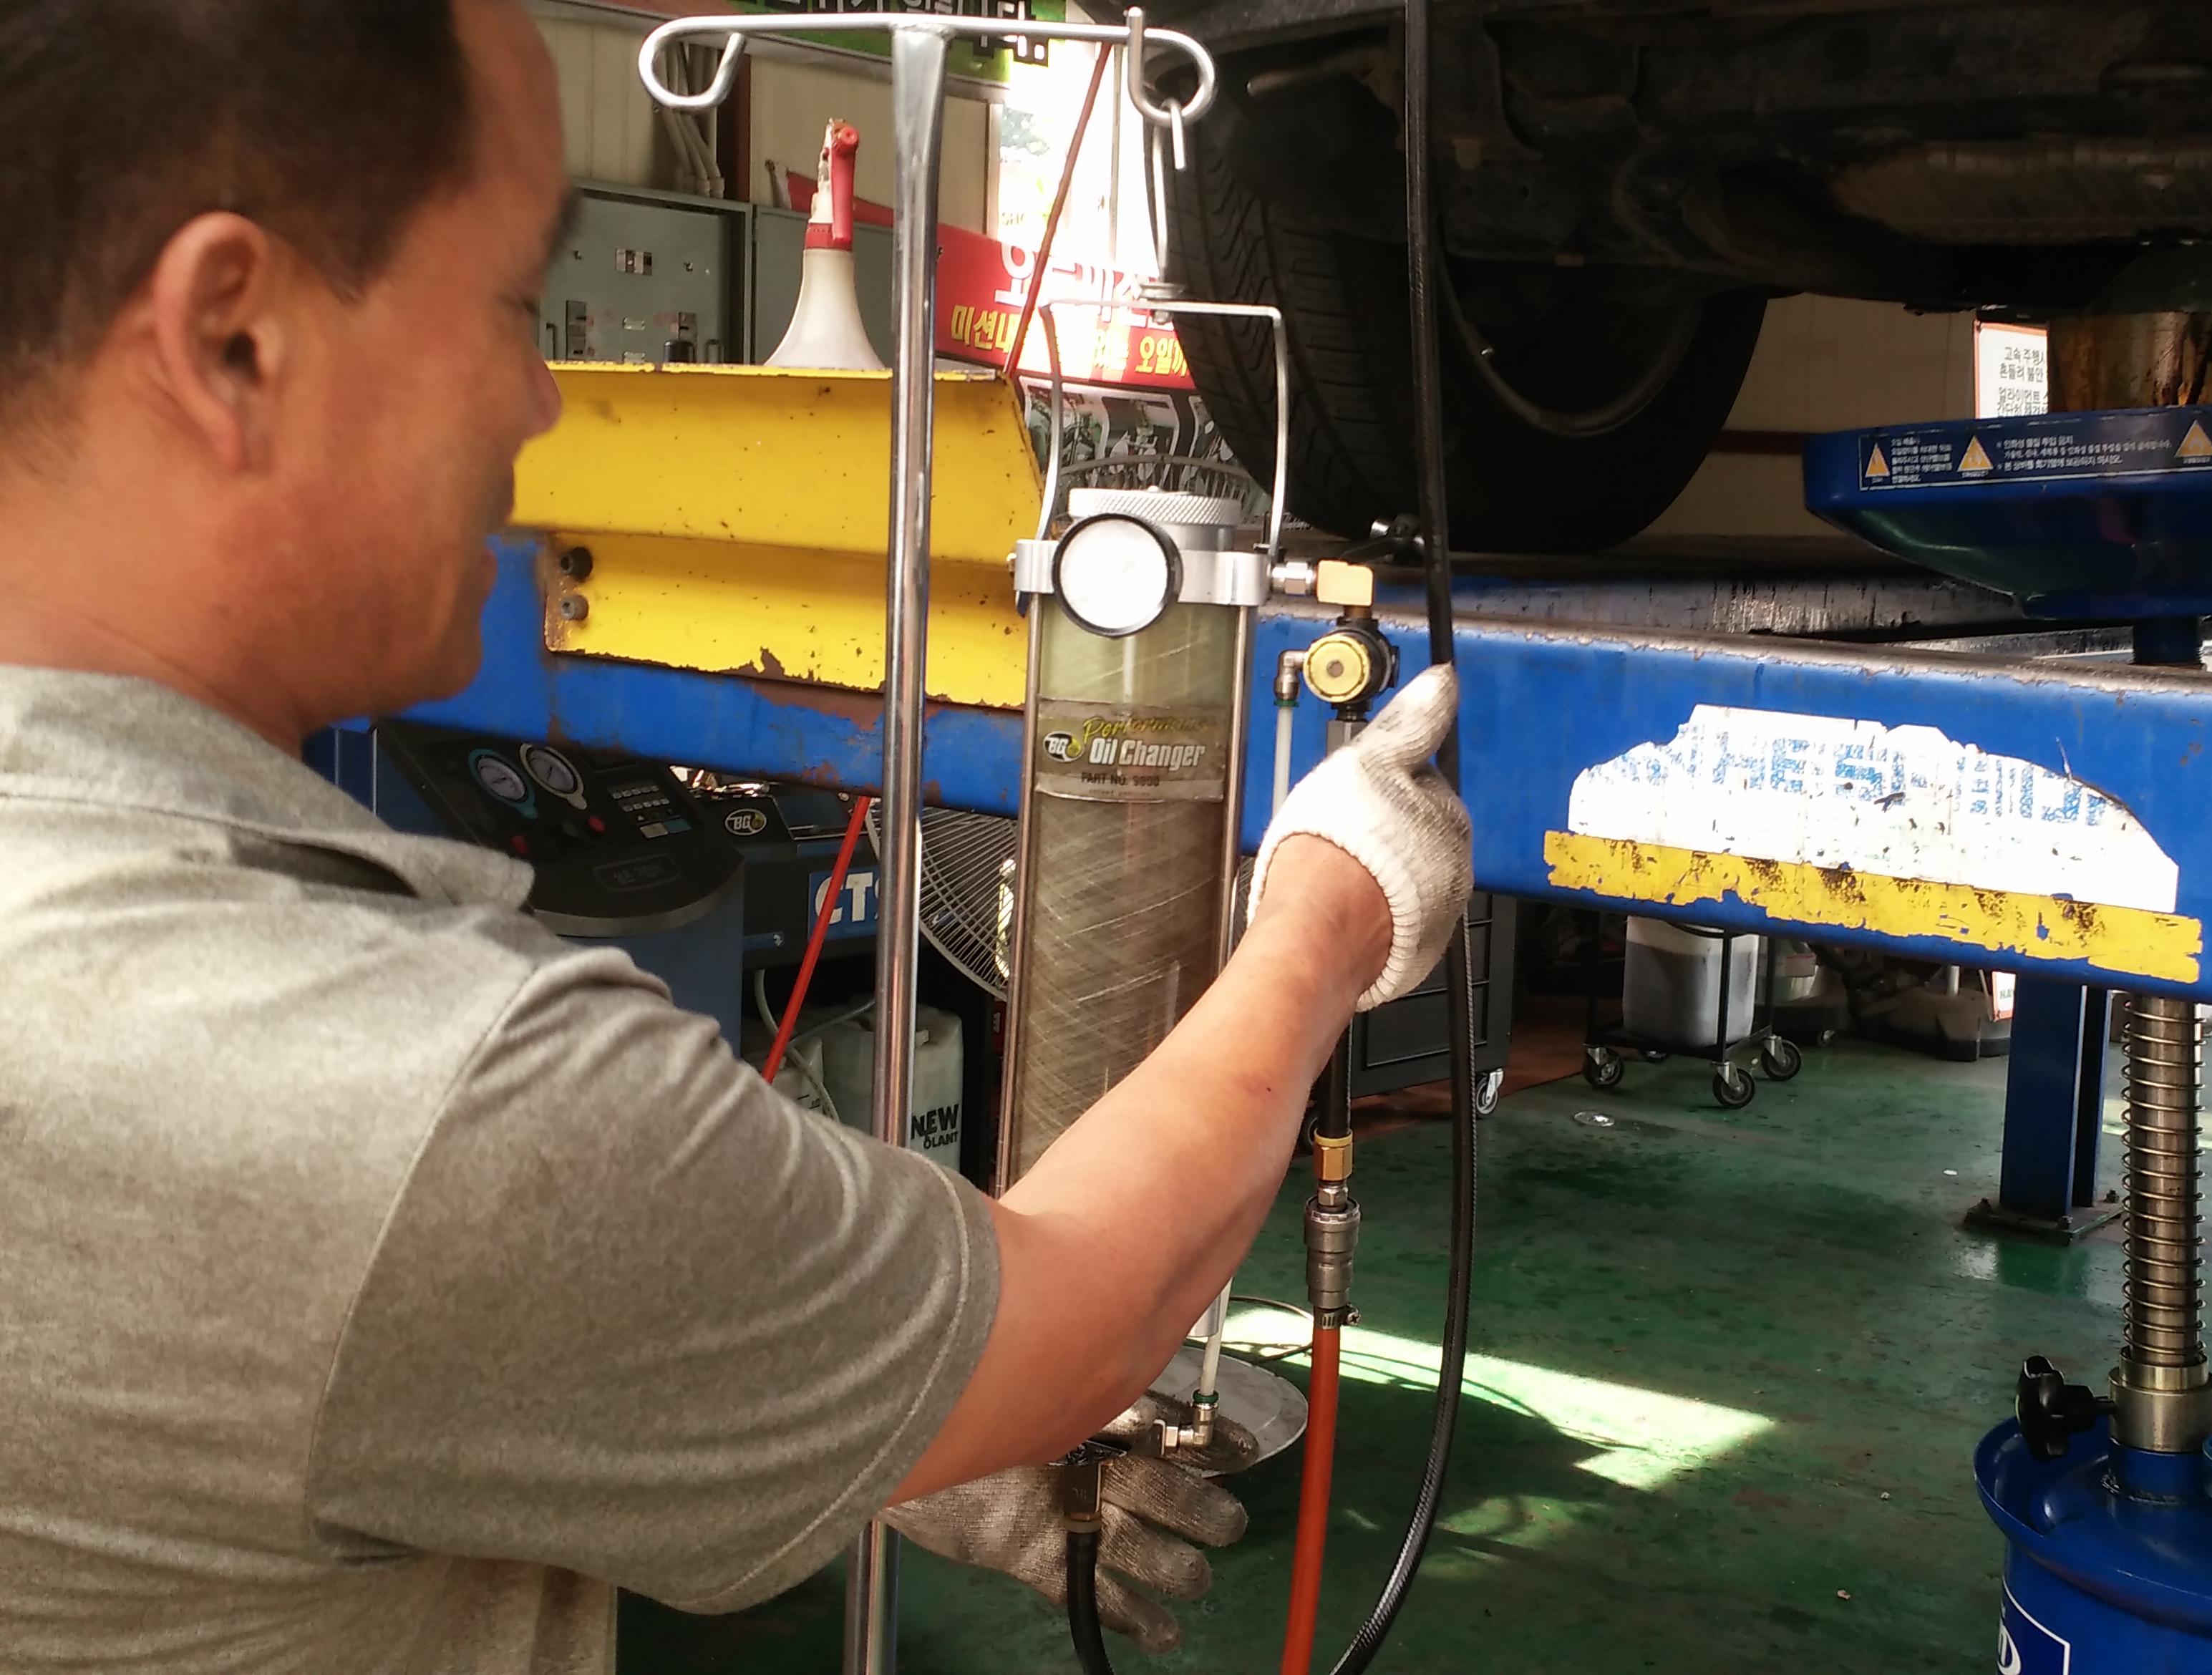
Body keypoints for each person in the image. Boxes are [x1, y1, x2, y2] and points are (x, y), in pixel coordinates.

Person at [0, 2, 1472, 1671]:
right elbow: (1085, 1312)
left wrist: (791, 1393)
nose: (537, 402)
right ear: (234, 341)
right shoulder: (403, 1093)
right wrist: (1327, 913)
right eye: (511, 306)